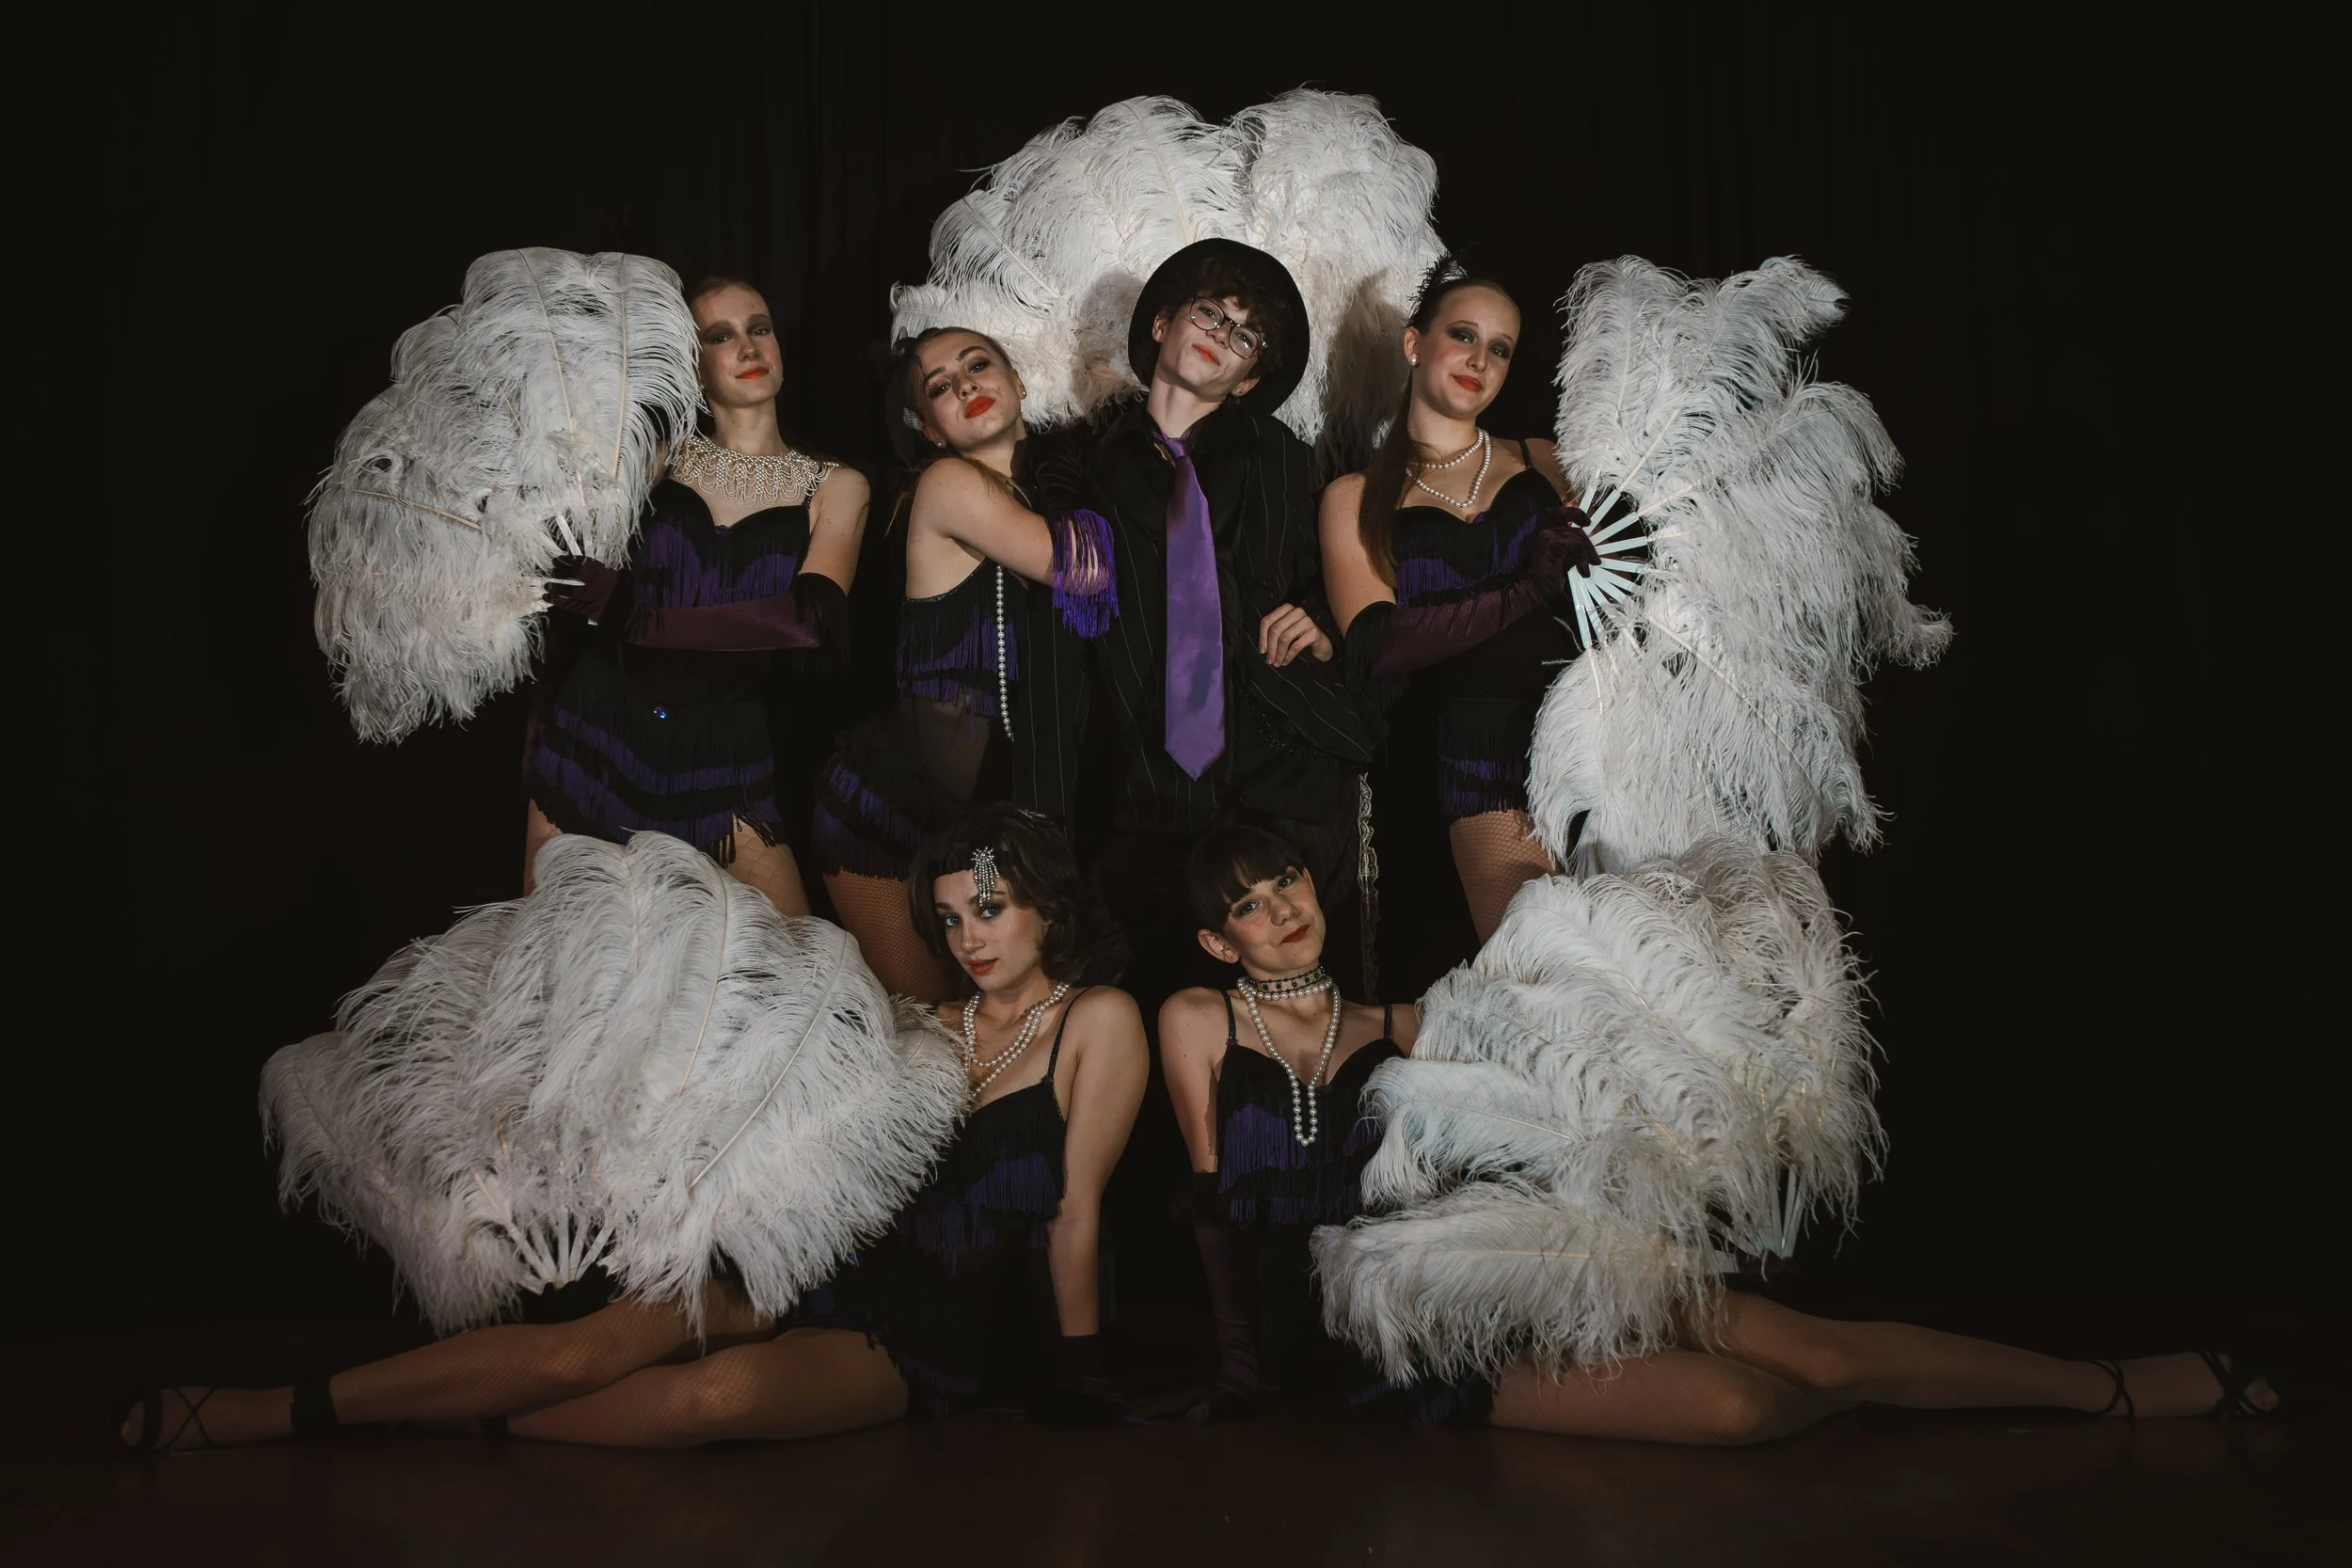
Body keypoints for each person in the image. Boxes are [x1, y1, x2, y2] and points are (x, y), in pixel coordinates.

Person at [1158, 824, 2280, 1440]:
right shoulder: (1196, 1019)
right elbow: (1214, 1200)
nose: (1282, 903)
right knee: (1748, 1402)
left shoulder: (1411, 1016)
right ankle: (1919, 1397)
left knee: (1821, 1347)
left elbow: (1541, 1088)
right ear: (1219, 941)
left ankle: (2109, 1382)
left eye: (1287, 876)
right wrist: (1244, 1365)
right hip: (1396, 1339)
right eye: (1249, 901)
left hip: (1515, 1264)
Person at [123, 809, 1148, 1451]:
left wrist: (1079, 1363)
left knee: (708, 1402)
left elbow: (1074, 1206)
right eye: (954, 918)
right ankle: (268, 1411)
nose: (969, 937)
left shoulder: (1098, 1021)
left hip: (928, 1320)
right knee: (578, 1352)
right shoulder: (928, 1022)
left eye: (992, 910)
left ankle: (452, 1418)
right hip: (798, 1260)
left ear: (1046, 912)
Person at [1057, 239, 1376, 1009]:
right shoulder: (1083, 469)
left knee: (1317, 1011)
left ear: (1251, 378)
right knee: (1173, 1012)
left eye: (1245, 335)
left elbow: (1333, 577)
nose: (1222, 333)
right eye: (1209, 312)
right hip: (1148, 787)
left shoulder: (1285, 459)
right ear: (1163, 323)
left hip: (1289, 766)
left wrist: (1326, 622)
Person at [522, 277, 869, 915]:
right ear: (697, 369)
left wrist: (640, 615)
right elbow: (566, 568)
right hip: (598, 728)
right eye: (720, 335)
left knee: (798, 966)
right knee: (560, 959)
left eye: (759, 327)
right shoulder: (657, 458)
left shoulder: (834, 483)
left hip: (722, 752)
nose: (747, 345)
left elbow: (809, 620)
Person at [812, 330, 1112, 998]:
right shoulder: (948, 484)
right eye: (940, 386)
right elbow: (1085, 572)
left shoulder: (1054, 486)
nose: (966, 385)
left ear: (1020, 381)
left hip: (986, 823)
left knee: (1007, 1013)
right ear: (931, 431)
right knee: (939, 1028)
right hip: (887, 816)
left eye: (977, 365)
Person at [1321, 262, 1600, 945]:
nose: (1480, 359)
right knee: (1545, 972)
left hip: (1592, 738)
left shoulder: (1548, 461)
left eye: (1499, 348)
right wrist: (1526, 589)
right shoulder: (1355, 495)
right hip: (1473, 760)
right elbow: (1379, 644)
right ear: (1415, 343)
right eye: (1464, 335)